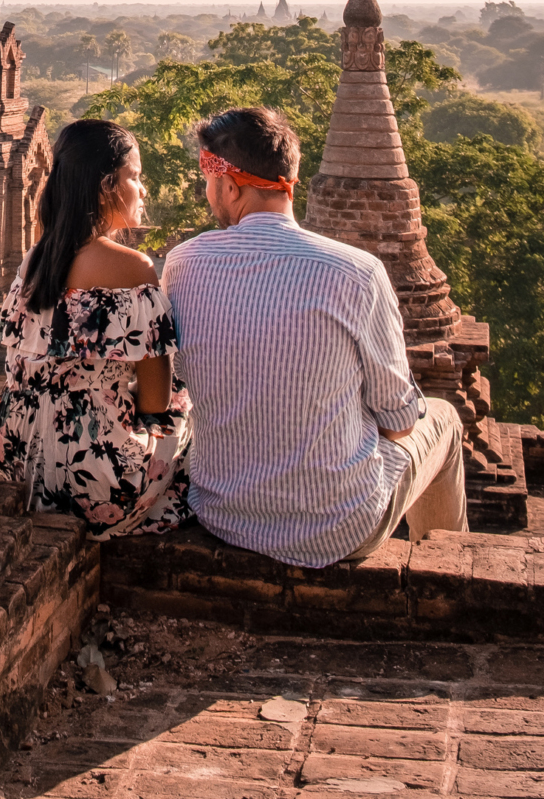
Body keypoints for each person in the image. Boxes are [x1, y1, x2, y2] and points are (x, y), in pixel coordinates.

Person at [162, 105, 467, 569]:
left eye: (208, 182)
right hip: (339, 529)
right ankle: (452, 577)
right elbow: (400, 421)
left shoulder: (182, 264)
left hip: (221, 512)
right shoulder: (358, 273)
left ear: (228, 183)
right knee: (443, 416)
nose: (207, 194)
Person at [0, 118, 191, 536]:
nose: (143, 188)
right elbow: (155, 403)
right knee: (187, 406)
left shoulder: (34, 262)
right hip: (97, 480)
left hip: (17, 456)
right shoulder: (133, 269)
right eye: (134, 176)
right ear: (106, 185)